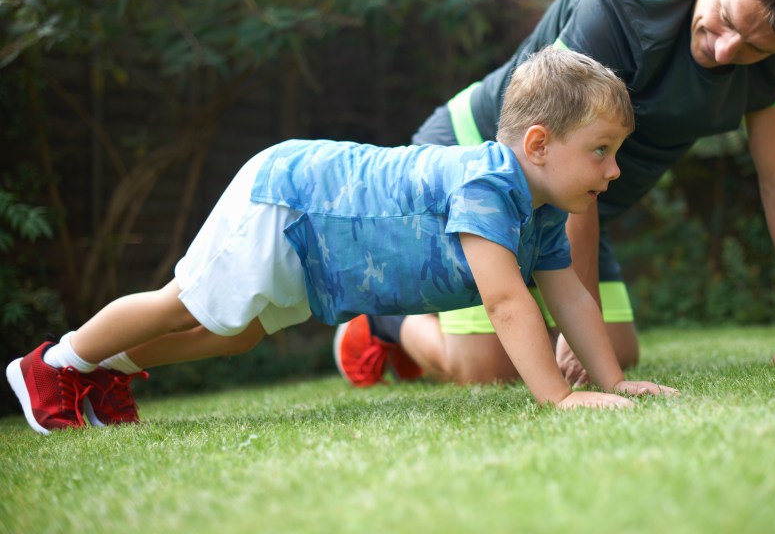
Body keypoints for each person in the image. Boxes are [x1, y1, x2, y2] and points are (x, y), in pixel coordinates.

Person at [6, 47, 679, 435]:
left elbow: (571, 296)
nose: (614, 171)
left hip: (319, 251)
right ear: (538, 145)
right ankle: (54, 365)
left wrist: (615, 380)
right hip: (292, 200)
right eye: (600, 151)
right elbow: (508, 304)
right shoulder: (486, 184)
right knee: (184, 302)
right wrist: (559, 399)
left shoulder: (542, 211)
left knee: (237, 332)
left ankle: (99, 373)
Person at [333, 0, 775, 389]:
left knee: (615, 352)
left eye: (756, 47)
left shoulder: (774, 70)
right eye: (727, 19)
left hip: (568, 196)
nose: (728, 51)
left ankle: (431, 328)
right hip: (480, 157)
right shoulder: (618, 4)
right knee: (492, 368)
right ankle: (382, 322)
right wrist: (578, 329)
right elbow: (560, 150)